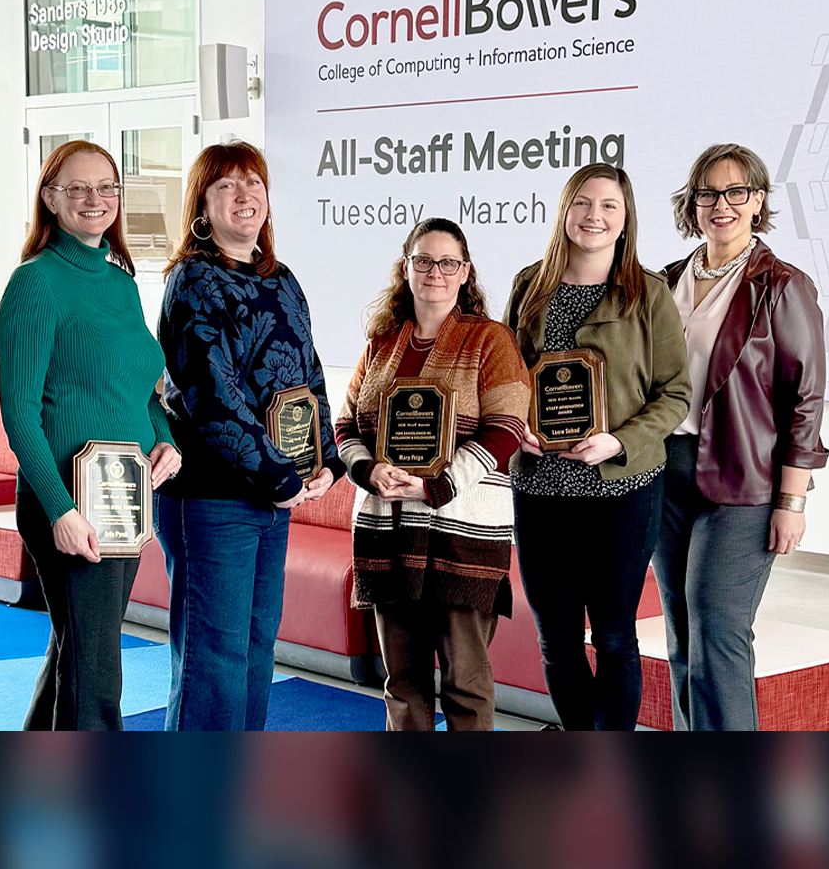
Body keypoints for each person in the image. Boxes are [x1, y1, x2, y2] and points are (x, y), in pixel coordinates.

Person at [156, 140, 344, 730]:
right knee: (213, 660)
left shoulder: (282, 279)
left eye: (254, 184)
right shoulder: (193, 280)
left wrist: (328, 460)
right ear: (202, 207)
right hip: (213, 498)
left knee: (257, 651)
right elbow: (213, 397)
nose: (244, 196)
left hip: (275, 495)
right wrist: (280, 477)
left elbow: (308, 375)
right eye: (226, 186)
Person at [0, 140, 183, 730]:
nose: (94, 200)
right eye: (77, 188)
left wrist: (166, 440)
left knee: (77, 654)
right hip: (69, 500)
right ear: (50, 198)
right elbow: (20, 413)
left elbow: (140, 388)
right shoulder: (35, 284)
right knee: (97, 674)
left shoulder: (121, 282)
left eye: (106, 187)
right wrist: (60, 510)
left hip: (124, 498)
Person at [503, 162, 690, 731]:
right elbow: (507, 379)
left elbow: (676, 393)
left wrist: (618, 441)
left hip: (621, 489)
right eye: (583, 203)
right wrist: (518, 428)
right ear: (564, 210)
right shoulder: (529, 284)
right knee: (555, 639)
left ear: (626, 217)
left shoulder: (648, 293)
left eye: (609, 205)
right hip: (542, 489)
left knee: (613, 635)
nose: (594, 216)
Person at [656, 143, 829, 730]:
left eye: (736, 192)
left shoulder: (781, 285)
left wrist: (792, 501)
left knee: (719, 628)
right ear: (693, 203)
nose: (721, 204)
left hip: (743, 481)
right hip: (663, 472)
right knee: (680, 631)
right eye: (708, 193)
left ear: (758, 201)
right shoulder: (666, 282)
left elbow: (804, 400)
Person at [335, 218, 531, 730]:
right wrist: (368, 469)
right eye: (423, 260)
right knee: (403, 682)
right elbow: (345, 424)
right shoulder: (381, 344)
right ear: (406, 267)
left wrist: (435, 485)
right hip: (387, 532)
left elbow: (507, 427)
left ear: (466, 272)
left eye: (448, 263)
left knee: (466, 682)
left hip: (462, 534)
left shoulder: (492, 341)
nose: (435, 272)